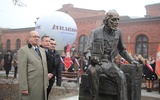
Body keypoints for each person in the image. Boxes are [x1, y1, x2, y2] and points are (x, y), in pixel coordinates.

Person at [84, 10, 139, 100]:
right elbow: (87, 50)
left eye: (118, 20)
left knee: (121, 76)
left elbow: (122, 50)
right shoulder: (95, 32)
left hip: (110, 64)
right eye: (114, 20)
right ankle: (94, 98)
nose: (117, 22)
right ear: (106, 20)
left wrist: (132, 60)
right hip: (97, 63)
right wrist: (91, 57)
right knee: (92, 71)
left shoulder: (118, 32)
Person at [18, 31, 48, 100]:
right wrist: (24, 87)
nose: (37, 38)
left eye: (38, 37)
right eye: (34, 37)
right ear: (29, 38)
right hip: (31, 85)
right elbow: (22, 71)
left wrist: (46, 82)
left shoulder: (42, 50)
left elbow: (45, 67)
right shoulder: (24, 50)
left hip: (42, 85)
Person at [40, 35, 55, 99]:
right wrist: (45, 75)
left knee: (46, 96)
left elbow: (55, 65)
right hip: (40, 78)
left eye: (49, 41)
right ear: (41, 42)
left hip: (50, 79)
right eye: (46, 41)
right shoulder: (37, 51)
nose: (48, 43)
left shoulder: (52, 52)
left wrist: (52, 74)